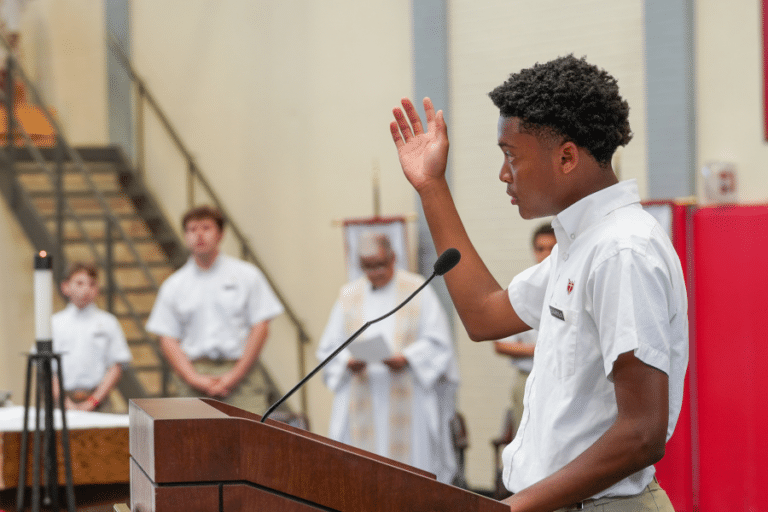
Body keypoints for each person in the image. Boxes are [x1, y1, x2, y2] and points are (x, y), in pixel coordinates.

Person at [389, 55, 687, 511]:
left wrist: (515, 507)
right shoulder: (580, 245)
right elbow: (484, 312)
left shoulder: (621, 250)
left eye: (511, 156)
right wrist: (431, 185)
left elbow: (642, 433)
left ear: (566, 156)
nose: (504, 174)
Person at [316, 232, 460, 484]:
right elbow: (329, 346)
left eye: (380, 264)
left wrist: (408, 358)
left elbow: (438, 342)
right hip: (361, 394)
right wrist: (347, 362)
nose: (375, 272)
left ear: (393, 258)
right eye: (368, 266)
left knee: (409, 476)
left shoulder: (417, 288)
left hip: (408, 395)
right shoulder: (349, 295)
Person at [146, 205, 284, 415]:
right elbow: (167, 338)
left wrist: (235, 375)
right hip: (194, 375)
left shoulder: (247, 275)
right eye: (192, 229)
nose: (199, 235)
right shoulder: (174, 285)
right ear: (185, 236)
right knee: (193, 444)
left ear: (220, 234)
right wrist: (194, 378)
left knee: (249, 443)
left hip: (240, 373)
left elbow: (261, 327)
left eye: (206, 228)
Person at [494, 223, 555, 429]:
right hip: (529, 376)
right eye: (540, 249)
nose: (546, 254)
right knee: (527, 439)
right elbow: (501, 344)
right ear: (533, 251)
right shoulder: (523, 287)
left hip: (565, 378)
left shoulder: (574, 283)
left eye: (552, 248)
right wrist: (540, 350)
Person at [52, 262, 131, 412]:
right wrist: (63, 401)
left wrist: (93, 401)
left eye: (92, 284)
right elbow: (47, 369)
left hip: (98, 399)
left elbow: (116, 366)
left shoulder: (108, 322)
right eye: (79, 283)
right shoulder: (54, 324)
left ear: (97, 289)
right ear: (65, 287)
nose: (86, 289)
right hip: (61, 400)